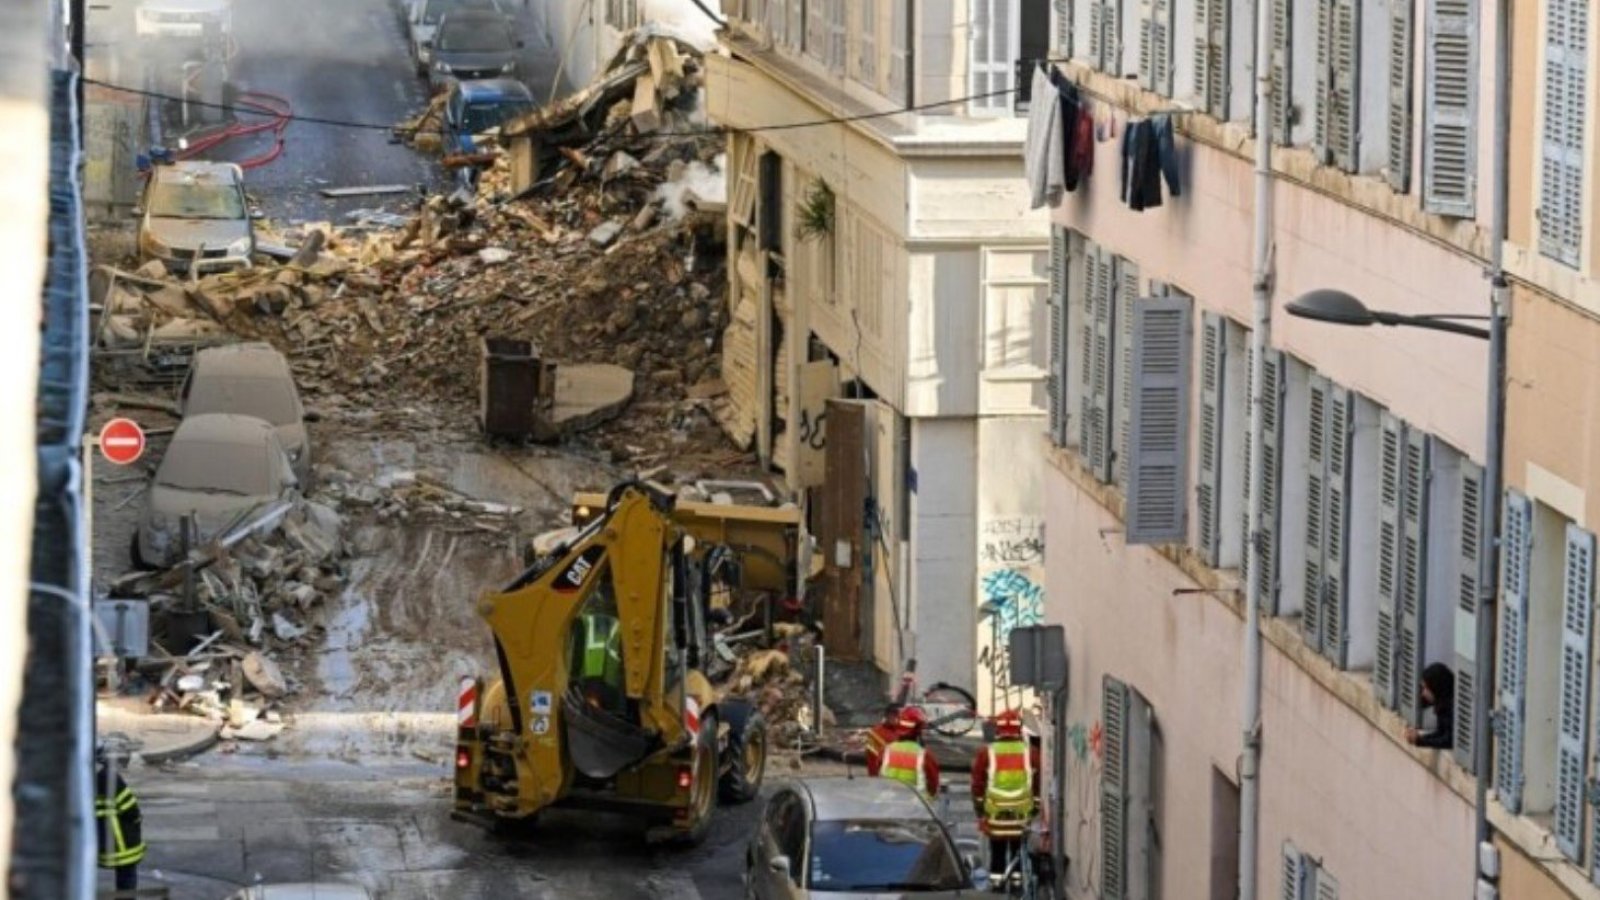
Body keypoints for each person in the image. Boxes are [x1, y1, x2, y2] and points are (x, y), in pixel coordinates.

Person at [971, 709, 1042, 883]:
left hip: (996, 815)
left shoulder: (986, 753)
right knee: (1018, 850)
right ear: (1019, 730)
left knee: (997, 851)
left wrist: (980, 809)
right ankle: (1016, 883)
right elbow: (1038, 782)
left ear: (998, 730)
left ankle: (997, 883)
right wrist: (1035, 807)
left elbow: (977, 785)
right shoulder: (1031, 753)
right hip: (1022, 814)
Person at [95, 746, 145, 894]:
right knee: (126, 877)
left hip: (98, 841)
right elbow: (130, 808)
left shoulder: (79, 777)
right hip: (122, 841)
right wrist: (136, 822)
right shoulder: (109, 776)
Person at [878, 707, 941, 800]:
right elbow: (933, 785)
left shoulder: (886, 750)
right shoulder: (924, 755)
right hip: (916, 808)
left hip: (887, 805)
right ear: (918, 730)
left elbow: (876, 775)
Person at [1405, 662, 1456, 749]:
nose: (1423, 693)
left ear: (1435, 687)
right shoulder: (1443, 704)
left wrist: (1420, 741)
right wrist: (1419, 738)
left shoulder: (1452, 707)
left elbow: (1449, 740)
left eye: (1426, 688)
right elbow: (1441, 733)